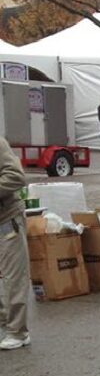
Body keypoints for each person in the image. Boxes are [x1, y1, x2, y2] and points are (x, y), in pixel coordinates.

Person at [0, 137, 31, 351]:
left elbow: (16, 176)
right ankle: (5, 324)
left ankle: (17, 332)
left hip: (6, 219)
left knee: (13, 278)